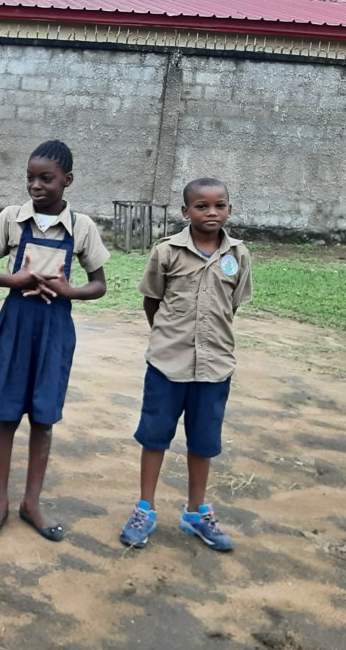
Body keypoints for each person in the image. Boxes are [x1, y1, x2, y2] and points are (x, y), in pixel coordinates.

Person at [0, 140, 109, 540]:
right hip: (15, 325)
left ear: (67, 180)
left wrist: (70, 290)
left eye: (46, 178)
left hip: (54, 329)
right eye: (30, 177)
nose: (35, 185)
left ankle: (32, 502)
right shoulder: (11, 219)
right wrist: (11, 279)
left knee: (43, 418)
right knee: (6, 415)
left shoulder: (82, 227)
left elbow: (99, 284)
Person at [119, 177, 252, 552]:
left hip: (215, 367)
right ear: (185, 211)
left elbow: (232, 306)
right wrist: (168, 338)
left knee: (204, 442)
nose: (212, 212)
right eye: (202, 206)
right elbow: (152, 300)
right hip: (167, 365)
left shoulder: (238, 255)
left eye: (219, 205)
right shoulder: (167, 252)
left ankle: (196, 512)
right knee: (154, 437)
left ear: (229, 209)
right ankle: (145, 508)